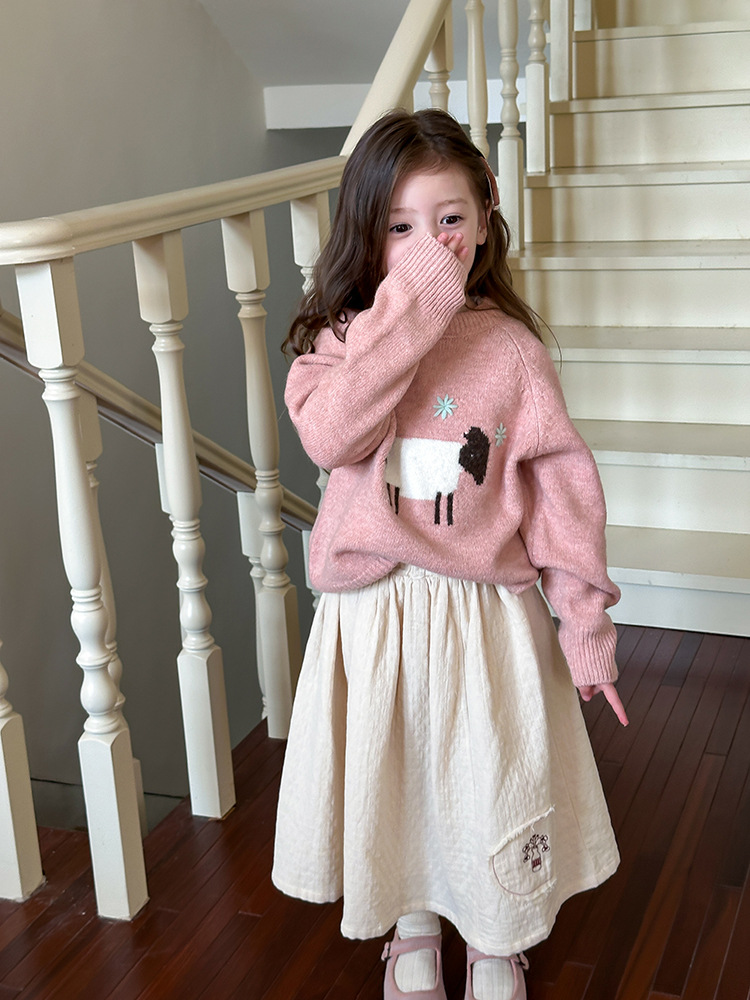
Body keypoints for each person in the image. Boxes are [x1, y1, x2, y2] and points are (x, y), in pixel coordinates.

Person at [272, 108, 628, 1000]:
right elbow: (333, 437)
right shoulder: (341, 346)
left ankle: (500, 933)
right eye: (399, 228)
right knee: (398, 778)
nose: (429, 248)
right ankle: (413, 918)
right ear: (365, 234)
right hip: (374, 616)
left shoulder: (510, 351)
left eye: (448, 222)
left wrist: (586, 627)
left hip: (483, 616)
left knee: (490, 777)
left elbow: (560, 498)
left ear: (486, 213)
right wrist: (413, 310)